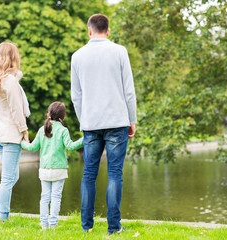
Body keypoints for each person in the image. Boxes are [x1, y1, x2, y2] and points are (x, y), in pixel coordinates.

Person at [71, 14, 137, 234]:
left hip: (91, 123)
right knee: (115, 174)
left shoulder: (77, 56)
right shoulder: (120, 52)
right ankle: (113, 228)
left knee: (89, 174)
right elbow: (129, 90)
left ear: (89, 31)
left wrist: (84, 119)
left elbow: (76, 95)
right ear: (108, 30)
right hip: (117, 121)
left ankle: (86, 227)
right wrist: (132, 120)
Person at [0, 42, 30, 221]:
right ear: (13, 57)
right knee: (8, 179)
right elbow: (16, 110)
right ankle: (3, 217)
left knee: (11, 177)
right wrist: (24, 130)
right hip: (11, 135)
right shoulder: (9, 81)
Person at [21, 101, 83, 229]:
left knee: (44, 197)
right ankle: (53, 224)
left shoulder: (41, 130)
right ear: (63, 117)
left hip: (44, 170)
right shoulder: (63, 130)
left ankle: (44, 225)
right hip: (59, 170)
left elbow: (32, 147)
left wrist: (21, 142)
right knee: (56, 197)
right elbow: (71, 146)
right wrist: (84, 139)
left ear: (48, 114)